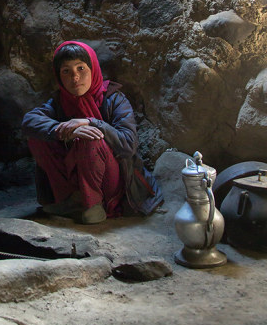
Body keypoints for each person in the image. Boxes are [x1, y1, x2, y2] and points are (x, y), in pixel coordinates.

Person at [22, 41, 162, 224]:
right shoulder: (59, 102)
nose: (75, 77)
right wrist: (66, 131)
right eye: (66, 71)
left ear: (93, 68)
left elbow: (128, 145)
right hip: (75, 179)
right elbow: (29, 121)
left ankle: (93, 205)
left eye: (81, 68)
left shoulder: (114, 99)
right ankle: (69, 201)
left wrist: (91, 122)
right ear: (58, 75)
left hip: (111, 182)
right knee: (37, 137)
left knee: (90, 138)